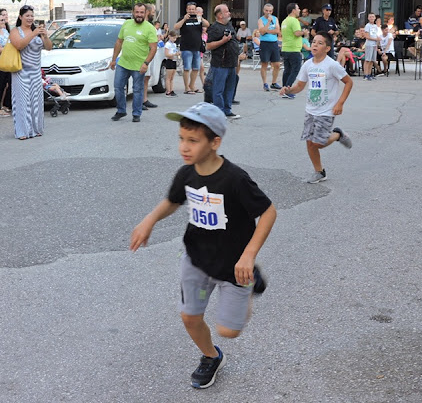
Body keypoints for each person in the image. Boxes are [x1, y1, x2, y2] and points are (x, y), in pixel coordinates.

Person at [129, 101, 277, 389]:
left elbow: (268, 212)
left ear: (215, 142)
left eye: (193, 141)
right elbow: (173, 201)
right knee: (189, 317)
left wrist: (248, 255)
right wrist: (150, 220)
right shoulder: (187, 173)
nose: (184, 147)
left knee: (229, 330)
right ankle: (211, 357)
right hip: (197, 260)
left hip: (235, 265)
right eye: (181, 139)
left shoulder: (235, 179)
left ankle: (249, 281)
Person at [279, 31, 354, 183]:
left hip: (327, 110)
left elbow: (348, 82)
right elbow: (300, 85)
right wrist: (289, 90)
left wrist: (340, 103)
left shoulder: (332, 65)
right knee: (309, 142)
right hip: (310, 110)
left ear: (327, 48)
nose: (315, 45)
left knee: (319, 143)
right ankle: (319, 172)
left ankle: (338, 135)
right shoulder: (307, 65)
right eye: (314, 42)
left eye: (320, 43)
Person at [109, 3, 157, 123]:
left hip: (139, 65)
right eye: (137, 12)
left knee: (137, 90)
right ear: (133, 12)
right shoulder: (126, 24)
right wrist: (114, 59)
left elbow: (153, 48)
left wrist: (146, 63)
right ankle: (121, 110)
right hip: (123, 63)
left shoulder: (149, 28)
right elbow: (119, 42)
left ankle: (136, 113)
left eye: (142, 12)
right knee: (118, 87)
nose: (139, 15)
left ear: (145, 13)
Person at [9, 5, 53, 138]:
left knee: (36, 102)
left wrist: (44, 36)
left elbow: (49, 47)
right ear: (20, 17)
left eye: (32, 16)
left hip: (35, 71)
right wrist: (33, 34)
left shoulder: (37, 31)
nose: (30, 18)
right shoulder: (15, 31)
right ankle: (22, 131)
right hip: (21, 72)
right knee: (22, 102)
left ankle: (36, 129)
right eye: (27, 16)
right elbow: (19, 45)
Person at [207, 4, 241, 119]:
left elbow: (234, 41)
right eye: (226, 12)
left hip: (231, 63)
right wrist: (223, 41)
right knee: (219, 89)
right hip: (220, 64)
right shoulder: (214, 28)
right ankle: (219, 112)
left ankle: (227, 110)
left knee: (229, 88)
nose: (229, 13)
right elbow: (208, 46)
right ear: (220, 15)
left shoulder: (229, 25)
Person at [174, 1, 209, 94]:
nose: (191, 11)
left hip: (197, 47)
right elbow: (176, 27)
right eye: (189, 9)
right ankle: (186, 88)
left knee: (196, 68)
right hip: (186, 47)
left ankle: (192, 85)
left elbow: (207, 24)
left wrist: (200, 17)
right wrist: (184, 19)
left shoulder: (198, 19)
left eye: (193, 9)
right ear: (186, 10)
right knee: (186, 68)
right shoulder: (183, 18)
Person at [280, 2, 304, 98]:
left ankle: (284, 88)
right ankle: (287, 90)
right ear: (293, 10)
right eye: (298, 8)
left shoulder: (285, 21)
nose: (299, 10)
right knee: (295, 70)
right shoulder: (294, 21)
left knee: (287, 70)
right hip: (294, 49)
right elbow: (297, 33)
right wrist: (304, 32)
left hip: (285, 48)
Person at [257, 3, 281, 91]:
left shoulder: (275, 18)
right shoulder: (261, 20)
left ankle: (274, 83)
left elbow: (277, 30)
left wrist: (267, 30)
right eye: (266, 11)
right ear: (264, 10)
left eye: (270, 11)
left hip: (274, 43)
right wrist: (268, 23)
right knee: (264, 64)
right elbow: (262, 32)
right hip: (264, 43)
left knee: (277, 64)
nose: (268, 12)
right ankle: (265, 83)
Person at [142, 3, 159, 109]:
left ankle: (144, 99)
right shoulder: (142, 24)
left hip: (150, 54)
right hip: (143, 55)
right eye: (153, 12)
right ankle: (140, 101)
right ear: (148, 12)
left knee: (147, 77)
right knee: (142, 78)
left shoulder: (150, 25)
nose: (154, 14)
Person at [363, 13, 380, 81]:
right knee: (367, 60)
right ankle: (365, 74)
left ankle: (369, 73)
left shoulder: (375, 26)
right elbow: (367, 36)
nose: (372, 18)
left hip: (374, 44)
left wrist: (377, 42)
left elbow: (376, 34)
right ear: (368, 18)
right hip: (369, 44)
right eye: (370, 17)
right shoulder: (367, 26)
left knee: (372, 60)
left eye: (373, 17)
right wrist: (375, 39)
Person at [164, 30, 180, 97]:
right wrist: (174, 54)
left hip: (174, 60)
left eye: (175, 38)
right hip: (169, 61)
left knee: (172, 77)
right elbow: (167, 54)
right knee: (168, 77)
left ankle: (171, 89)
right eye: (173, 38)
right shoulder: (167, 44)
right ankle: (168, 91)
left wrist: (177, 54)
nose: (174, 39)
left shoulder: (174, 44)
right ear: (169, 36)